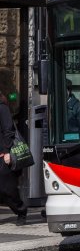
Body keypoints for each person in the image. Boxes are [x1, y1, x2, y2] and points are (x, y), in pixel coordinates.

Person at [0, 91, 27, 225]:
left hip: (2, 153)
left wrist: (6, 152)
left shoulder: (2, 107)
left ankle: (21, 210)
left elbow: (8, 130)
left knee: (7, 188)